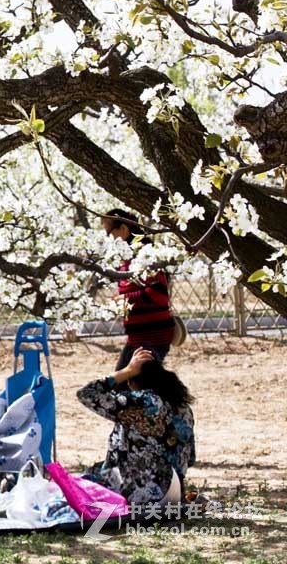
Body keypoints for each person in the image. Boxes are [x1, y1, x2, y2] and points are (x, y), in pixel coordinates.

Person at [77, 348, 196, 506]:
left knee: (79, 485)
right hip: (174, 495)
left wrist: (126, 371)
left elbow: (86, 393)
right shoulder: (183, 408)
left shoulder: (141, 403)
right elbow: (190, 458)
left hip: (142, 497)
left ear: (132, 380)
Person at [102, 209, 176, 370]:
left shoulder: (145, 255)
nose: (109, 238)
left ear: (123, 229)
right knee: (123, 379)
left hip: (153, 336)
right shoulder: (128, 258)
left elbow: (158, 293)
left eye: (109, 232)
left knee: (127, 380)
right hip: (138, 337)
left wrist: (126, 299)